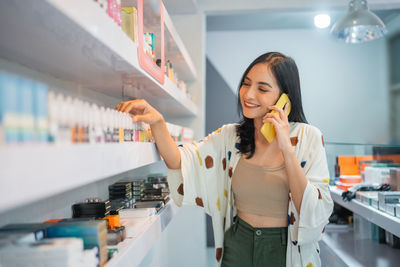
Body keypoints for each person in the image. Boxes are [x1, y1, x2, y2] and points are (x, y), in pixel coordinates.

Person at [116, 52, 334, 267]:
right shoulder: (231, 137)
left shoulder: (308, 138)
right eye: (246, 84)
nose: (248, 95)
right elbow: (181, 162)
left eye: (262, 89)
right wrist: (158, 123)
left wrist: (286, 146)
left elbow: (314, 208)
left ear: (284, 98)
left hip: (283, 249)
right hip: (238, 243)